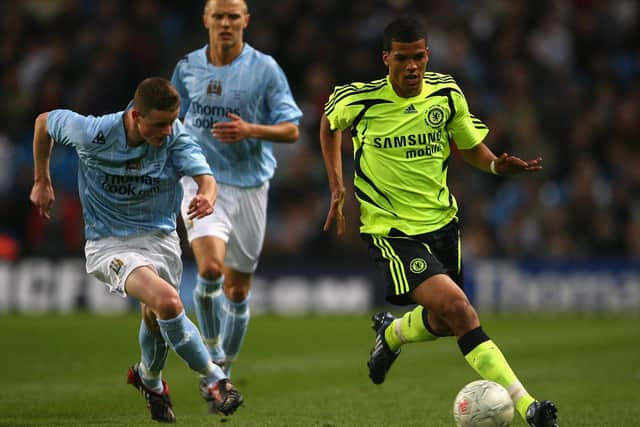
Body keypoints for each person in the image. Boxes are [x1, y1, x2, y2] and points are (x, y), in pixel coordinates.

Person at [319, 18, 559, 427]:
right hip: (392, 231)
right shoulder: (359, 100)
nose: (411, 66)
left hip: (443, 223)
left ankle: (392, 334)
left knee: (448, 322)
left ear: (427, 55)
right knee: (460, 309)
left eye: (418, 57)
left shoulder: (447, 94)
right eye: (402, 58)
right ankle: (529, 407)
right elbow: (328, 125)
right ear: (386, 59)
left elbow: (471, 149)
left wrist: (497, 165)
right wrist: (337, 187)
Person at [29, 77, 244, 422]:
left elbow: (207, 178)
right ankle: (215, 378)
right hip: (109, 243)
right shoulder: (93, 132)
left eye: (172, 122)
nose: (167, 130)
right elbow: (44, 122)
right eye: (159, 124)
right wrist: (42, 180)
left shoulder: (175, 138)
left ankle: (149, 379)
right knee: (169, 303)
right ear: (135, 116)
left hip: (161, 242)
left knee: (156, 317)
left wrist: (207, 196)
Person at [170, 0, 302, 377]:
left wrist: (251, 130)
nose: (225, 23)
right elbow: (171, 118)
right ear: (206, 20)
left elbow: (291, 129)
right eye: (219, 16)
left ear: (245, 20)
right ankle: (213, 365)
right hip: (201, 179)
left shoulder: (265, 69)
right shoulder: (187, 68)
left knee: (238, 290)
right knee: (210, 269)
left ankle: (226, 358)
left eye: (233, 17)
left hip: (250, 184)